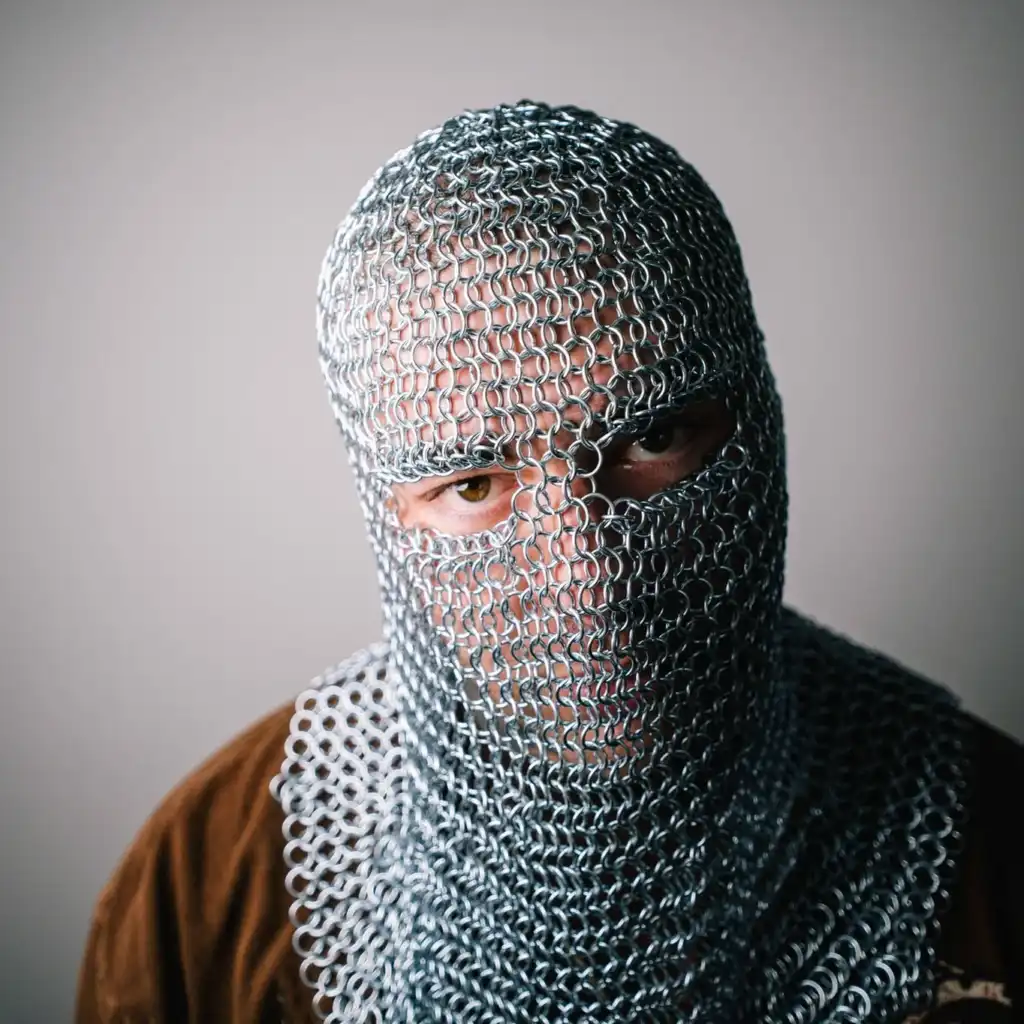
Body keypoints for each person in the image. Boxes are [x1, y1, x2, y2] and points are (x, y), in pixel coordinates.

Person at [76, 101, 1023, 1023]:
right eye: (475, 485)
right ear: (388, 516)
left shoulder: (993, 851)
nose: (589, 583)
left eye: (653, 439)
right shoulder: (206, 895)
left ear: (758, 429)